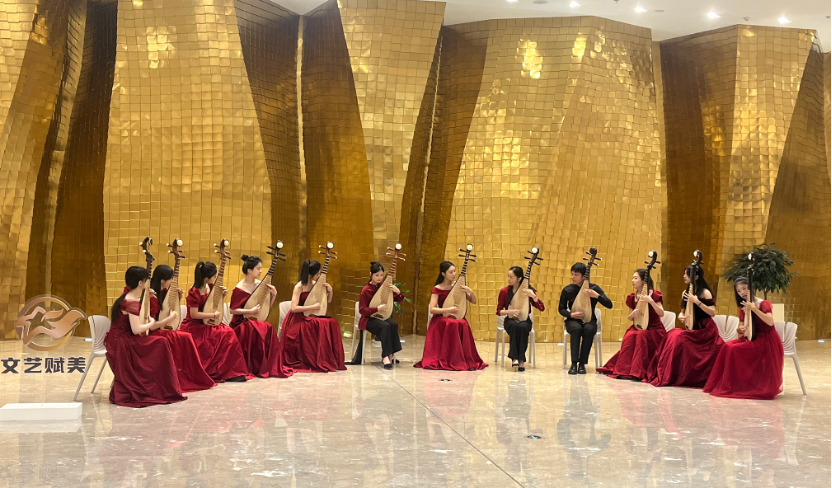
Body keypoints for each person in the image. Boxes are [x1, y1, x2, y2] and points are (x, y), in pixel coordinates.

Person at [105, 266, 186, 407]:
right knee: (161, 343)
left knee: (160, 341)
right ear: (140, 283)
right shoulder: (131, 302)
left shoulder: (128, 297)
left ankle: (157, 386)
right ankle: (156, 387)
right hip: (123, 342)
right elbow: (136, 330)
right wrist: (151, 323)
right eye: (146, 281)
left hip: (120, 338)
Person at [704, 278, 783, 400]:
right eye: (739, 291)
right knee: (727, 346)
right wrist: (740, 329)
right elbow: (741, 328)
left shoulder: (763, 303)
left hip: (765, 339)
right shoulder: (742, 307)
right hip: (751, 337)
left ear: (750, 288)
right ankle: (733, 384)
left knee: (734, 349)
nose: (742, 292)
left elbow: (770, 321)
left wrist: (754, 309)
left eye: (744, 288)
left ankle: (744, 385)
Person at [646, 265, 723, 387]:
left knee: (678, 337)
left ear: (696, 277)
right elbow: (682, 311)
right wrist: (681, 316)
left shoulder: (705, 292)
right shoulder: (685, 293)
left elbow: (713, 312)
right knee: (672, 335)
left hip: (705, 330)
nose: (684, 276)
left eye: (687, 274)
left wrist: (697, 301)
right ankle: (668, 373)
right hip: (692, 327)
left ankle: (683, 374)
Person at [179, 262, 252, 382]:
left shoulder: (211, 286)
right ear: (206, 278)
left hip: (208, 322)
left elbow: (213, 304)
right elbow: (194, 314)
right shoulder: (194, 291)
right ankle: (215, 370)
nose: (214, 278)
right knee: (219, 335)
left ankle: (232, 372)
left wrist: (222, 296)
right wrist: (213, 315)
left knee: (228, 332)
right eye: (213, 276)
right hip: (195, 325)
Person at [147, 265, 216, 391]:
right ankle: (179, 377)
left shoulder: (163, 292)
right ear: (162, 280)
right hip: (155, 331)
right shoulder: (152, 296)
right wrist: (170, 318)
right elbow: (152, 325)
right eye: (170, 279)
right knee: (184, 338)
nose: (171, 282)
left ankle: (187, 375)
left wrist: (178, 299)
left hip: (162, 329)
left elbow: (166, 309)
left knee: (186, 337)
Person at [414, 261, 487, 371]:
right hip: (441, 318)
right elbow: (432, 309)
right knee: (451, 323)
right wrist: (448, 310)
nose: (454, 274)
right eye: (451, 272)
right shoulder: (437, 288)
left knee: (462, 323)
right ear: (443, 274)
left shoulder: (458, 286)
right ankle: (449, 359)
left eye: (454, 271)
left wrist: (470, 292)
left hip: (456, 317)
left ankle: (460, 358)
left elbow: (474, 301)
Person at [229, 255, 293, 378]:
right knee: (255, 328)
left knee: (268, 327)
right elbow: (232, 310)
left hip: (255, 320)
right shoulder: (240, 288)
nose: (260, 271)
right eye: (258, 268)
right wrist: (249, 311)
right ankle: (254, 366)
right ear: (249, 270)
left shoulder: (260, 285)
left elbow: (265, 308)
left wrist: (274, 295)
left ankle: (267, 366)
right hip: (241, 322)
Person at [597, 268, 665, 380]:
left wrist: (651, 301)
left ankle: (638, 371)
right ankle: (624, 370)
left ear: (643, 281)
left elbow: (661, 313)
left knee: (641, 336)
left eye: (635, 278)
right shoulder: (632, 297)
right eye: (633, 278)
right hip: (638, 326)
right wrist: (633, 314)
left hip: (654, 329)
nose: (632, 280)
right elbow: (629, 318)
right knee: (629, 336)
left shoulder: (655, 294)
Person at [279, 260, 346, 372]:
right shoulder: (299, 286)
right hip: (298, 318)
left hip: (311, 316)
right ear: (310, 275)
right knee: (317, 324)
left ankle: (326, 358)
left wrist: (330, 291)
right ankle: (314, 359)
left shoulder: (316, 285)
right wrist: (312, 307)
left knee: (331, 322)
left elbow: (327, 301)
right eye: (317, 274)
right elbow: (294, 308)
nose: (319, 276)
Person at [558, 262, 613, 375]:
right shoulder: (567, 290)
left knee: (589, 330)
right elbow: (561, 309)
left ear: (583, 276)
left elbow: (609, 305)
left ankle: (582, 364)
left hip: (590, 320)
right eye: (572, 274)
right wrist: (571, 315)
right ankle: (574, 363)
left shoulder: (594, 288)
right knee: (576, 329)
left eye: (576, 275)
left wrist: (596, 296)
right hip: (573, 320)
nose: (572, 277)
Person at [349, 261, 404, 369]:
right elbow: (362, 310)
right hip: (368, 319)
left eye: (381, 275)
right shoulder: (366, 290)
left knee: (393, 324)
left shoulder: (384, 287)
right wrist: (377, 308)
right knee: (385, 326)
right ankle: (385, 357)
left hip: (381, 317)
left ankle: (390, 354)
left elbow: (398, 299)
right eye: (377, 275)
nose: (379, 278)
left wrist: (398, 292)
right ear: (371, 274)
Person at [496, 266, 545, 372]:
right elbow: (499, 311)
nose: (508, 279)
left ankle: (520, 359)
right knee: (514, 326)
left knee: (522, 326)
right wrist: (510, 311)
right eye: (508, 276)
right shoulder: (504, 291)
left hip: (525, 320)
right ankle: (515, 358)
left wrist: (533, 296)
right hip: (510, 320)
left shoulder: (528, 291)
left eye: (511, 277)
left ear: (519, 278)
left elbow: (542, 308)